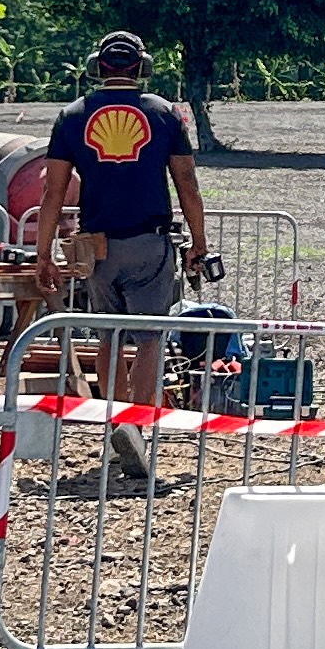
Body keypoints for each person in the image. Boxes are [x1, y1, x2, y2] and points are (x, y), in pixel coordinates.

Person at [36, 32, 215, 474]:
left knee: (109, 338)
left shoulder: (72, 115)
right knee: (150, 338)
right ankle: (137, 428)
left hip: (96, 246)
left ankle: (116, 425)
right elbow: (187, 184)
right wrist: (199, 242)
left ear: (98, 65)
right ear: (141, 67)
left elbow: (53, 191)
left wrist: (42, 253)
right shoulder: (163, 113)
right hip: (149, 241)